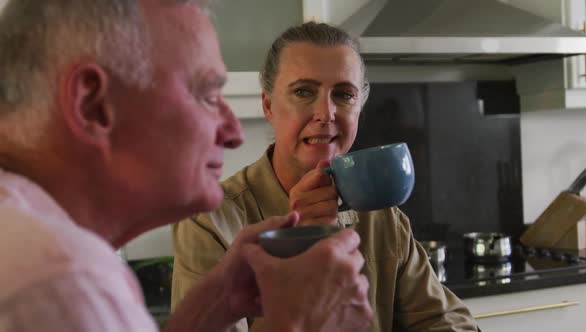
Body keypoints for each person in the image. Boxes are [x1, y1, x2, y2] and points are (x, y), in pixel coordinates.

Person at [0, 1, 373, 331]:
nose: (232, 133)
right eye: (207, 95)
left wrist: (213, 307)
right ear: (92, 105)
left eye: (343, 95)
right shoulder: (63, 283)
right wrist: (298, 324)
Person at [172, 22, 480, 331]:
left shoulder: (383, 218)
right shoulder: (210, 221)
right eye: (303, 92)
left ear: (359, 107)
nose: (325, 113)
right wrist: (302, 251)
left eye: (344, 94)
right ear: (268, 105)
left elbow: (448, 323)